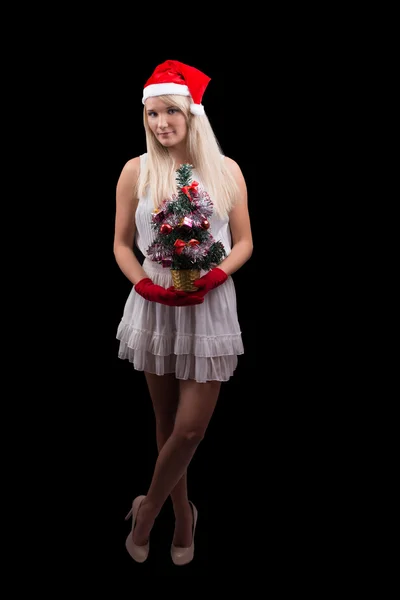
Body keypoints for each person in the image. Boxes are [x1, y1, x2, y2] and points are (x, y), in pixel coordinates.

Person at [113, 59, 253, 566]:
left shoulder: (227, 170)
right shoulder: (137, 170)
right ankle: (184, 512)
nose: (160, 123)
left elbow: (244, 242)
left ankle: (150, 511)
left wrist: (216, 275)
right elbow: (121, 246)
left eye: (170, 111)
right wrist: (143, 285)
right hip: (156, 305)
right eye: (152, 114)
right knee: (167, 419)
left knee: (190, 429)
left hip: (208, 306)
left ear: (193, 113)